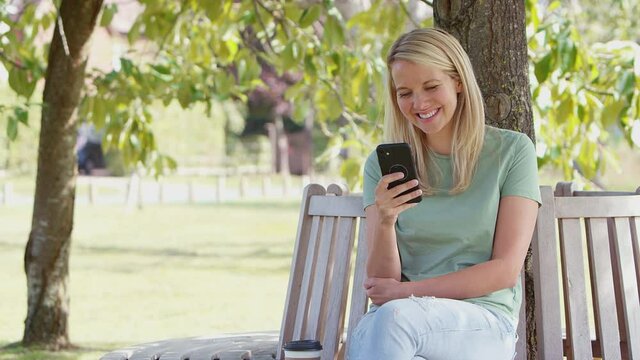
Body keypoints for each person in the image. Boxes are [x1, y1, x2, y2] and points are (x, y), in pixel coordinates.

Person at [347, 28, 541, 360]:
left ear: (458, 82)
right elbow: (381, 285)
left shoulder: (512, 151)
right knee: (387, 328)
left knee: (393, 323)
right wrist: (384, 220)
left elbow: (504, 270)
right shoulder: (382, 166)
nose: (419, 103)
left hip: (482, 321)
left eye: (431, 86)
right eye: (404, 92)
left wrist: (406, 294)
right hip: (397, 324)